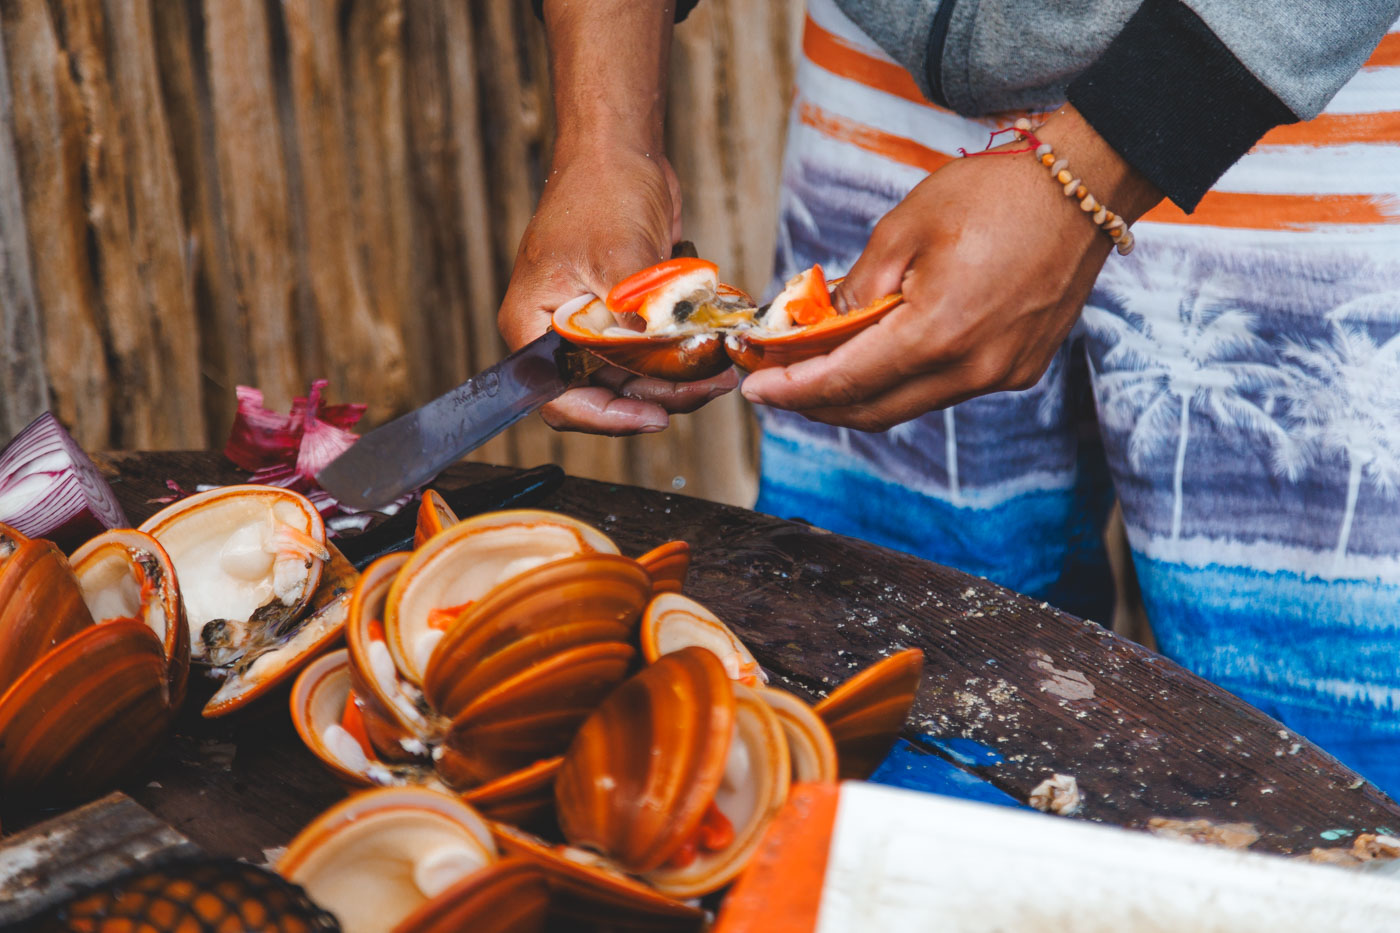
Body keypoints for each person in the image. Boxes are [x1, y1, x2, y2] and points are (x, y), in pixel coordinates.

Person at [501, 0, 1400, 797]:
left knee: (1329, 783)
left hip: (1306, 87)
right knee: (884, 724)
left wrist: (1098, 165)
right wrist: (606, 134)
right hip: (890, 72)